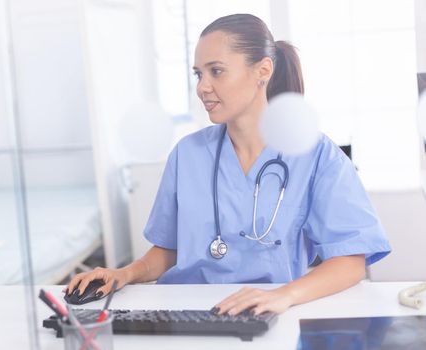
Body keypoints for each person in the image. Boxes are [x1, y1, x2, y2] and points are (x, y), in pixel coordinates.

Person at [65, 13, 391, 315]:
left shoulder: (315, 154)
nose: (203, 87)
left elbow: (350, 260)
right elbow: (169, 249)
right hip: (185, 312)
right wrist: (125, 273)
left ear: (263, 71)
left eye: (216, 71)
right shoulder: (188, 153)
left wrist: (285, 296)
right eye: (199, 74)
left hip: (262, 311)